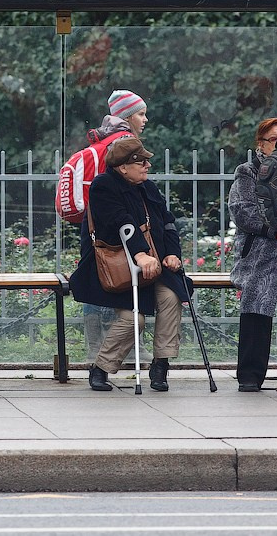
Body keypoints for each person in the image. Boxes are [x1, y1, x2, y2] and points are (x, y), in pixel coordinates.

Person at [69, 136, 189, 393]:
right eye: (141, 162)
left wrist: (172, 254)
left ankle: (161, 364)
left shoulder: (148, 187)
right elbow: (121, 222)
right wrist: (140, 254)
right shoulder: (104, 186)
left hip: (155, 265)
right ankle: (101, 368)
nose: (147, 166)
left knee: (171, 298)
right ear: (123, 167)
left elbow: (168, 222)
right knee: (134, 319)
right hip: (119, 268)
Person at [82, 90, 149, 363]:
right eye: (140, 114)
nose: (145, 119)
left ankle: (95, 347)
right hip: (114, 222)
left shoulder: (101, 138)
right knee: (116, 276)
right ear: (127, 116)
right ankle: (126, 348)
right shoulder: (123, 142)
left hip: (93, 222)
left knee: (98, 274)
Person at [229, 118, 277, 392]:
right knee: (257, 295)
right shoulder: (247, 171)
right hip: (260, 247)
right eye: (275, 140)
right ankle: (250, 375)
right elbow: (243, 211)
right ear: (261, 144)